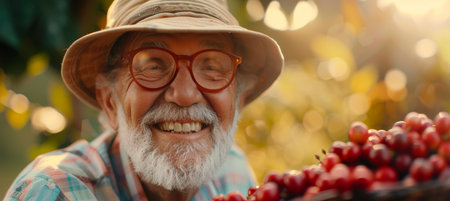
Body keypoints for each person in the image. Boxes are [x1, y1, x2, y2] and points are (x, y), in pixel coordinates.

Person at [4, 0, 283, 200]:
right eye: (153, 65)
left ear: (237, 101)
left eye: (211, 66)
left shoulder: (233, 171)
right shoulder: (54, 193)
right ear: (110, 102)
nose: (185, 95)